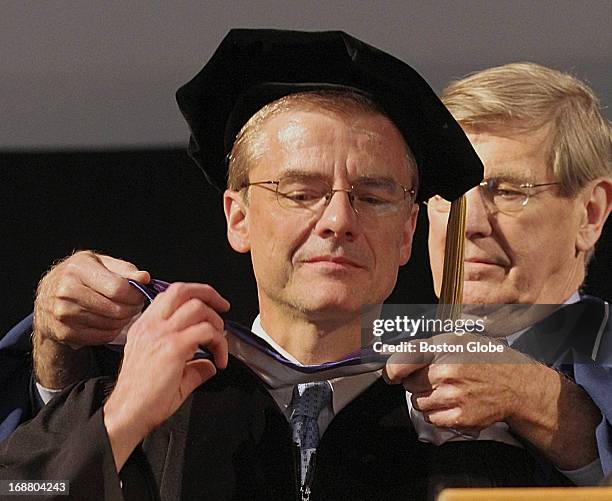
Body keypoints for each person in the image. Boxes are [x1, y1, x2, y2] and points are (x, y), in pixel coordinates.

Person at [0, 33, 583, 499]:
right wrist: (122, 418)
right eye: (300, 191)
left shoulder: (483, 417)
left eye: (373, 196)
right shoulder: (143, 386)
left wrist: (559, 419)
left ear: (409, 231)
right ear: (239, 217)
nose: (337, 220)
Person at [388, 62, 611, 483]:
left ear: (590, 214)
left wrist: (541, 402)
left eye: (508, 191)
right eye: (448, 194)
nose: (469, 223)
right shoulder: (364, 372)